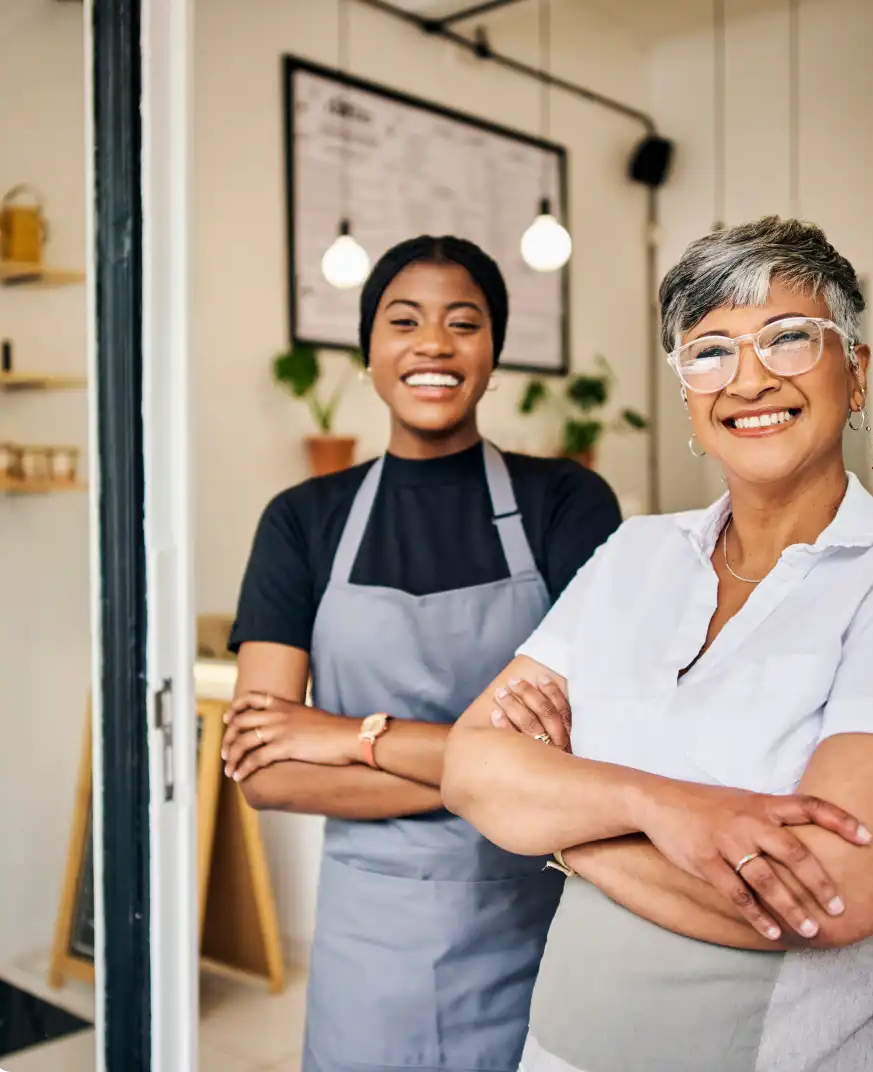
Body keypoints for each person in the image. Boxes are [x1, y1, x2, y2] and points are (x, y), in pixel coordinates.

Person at [441, 216, 873, 1072]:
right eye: (710, 351)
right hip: (559, 1050)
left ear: (857, 372)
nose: (750, 378)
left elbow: (832, 892)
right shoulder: (635, 553)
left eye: (788, 338)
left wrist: (566, 828)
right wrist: (667, 809)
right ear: (689, 395)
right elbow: (470, 767)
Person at [219, 235, 622, 1072]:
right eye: (404, 321)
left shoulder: (567, 503)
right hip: (372, 947)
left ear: (494, 353)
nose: (433, 343)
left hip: (539, 923)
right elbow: (265, 771)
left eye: (463, 323)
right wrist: (501, 776)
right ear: (369, 352)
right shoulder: (302, 520)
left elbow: (591, 747)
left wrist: (345, 735)